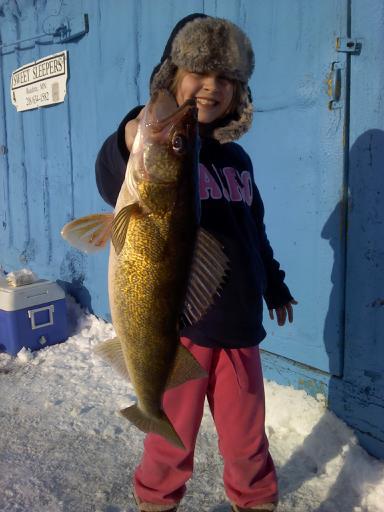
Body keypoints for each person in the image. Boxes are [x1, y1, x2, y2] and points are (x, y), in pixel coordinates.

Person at [95, 13, 296, 512]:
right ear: (171, 78)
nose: (211, 88)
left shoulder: (238, 162)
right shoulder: (161, 143)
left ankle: (256, 502)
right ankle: (156, 502)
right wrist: (130, 137)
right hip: (177, 332)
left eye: (226, 79)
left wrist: (273, 283)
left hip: (240, 330)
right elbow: (112, 174)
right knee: (168, 442)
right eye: (198, 74)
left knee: (248, 444)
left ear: (239, 92)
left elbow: (255, 232)